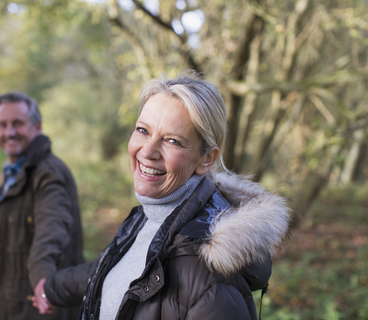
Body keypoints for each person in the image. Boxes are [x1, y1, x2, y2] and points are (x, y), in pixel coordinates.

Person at [36, 72, 290, 319]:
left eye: (172, 141)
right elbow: (117, 269)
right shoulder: (154, 215)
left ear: (206, 159)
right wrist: (51, 288)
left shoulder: (210, 275)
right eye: (143, 130)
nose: (147, 152)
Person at [0, 92, 85, 320]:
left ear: (37, 126)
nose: (9, 132)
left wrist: (43, 279)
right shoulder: (13, 178)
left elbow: (51, 227)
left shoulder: (48, 175)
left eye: (18, 124)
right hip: (10, 306)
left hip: (41, 309)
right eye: (2, 125)